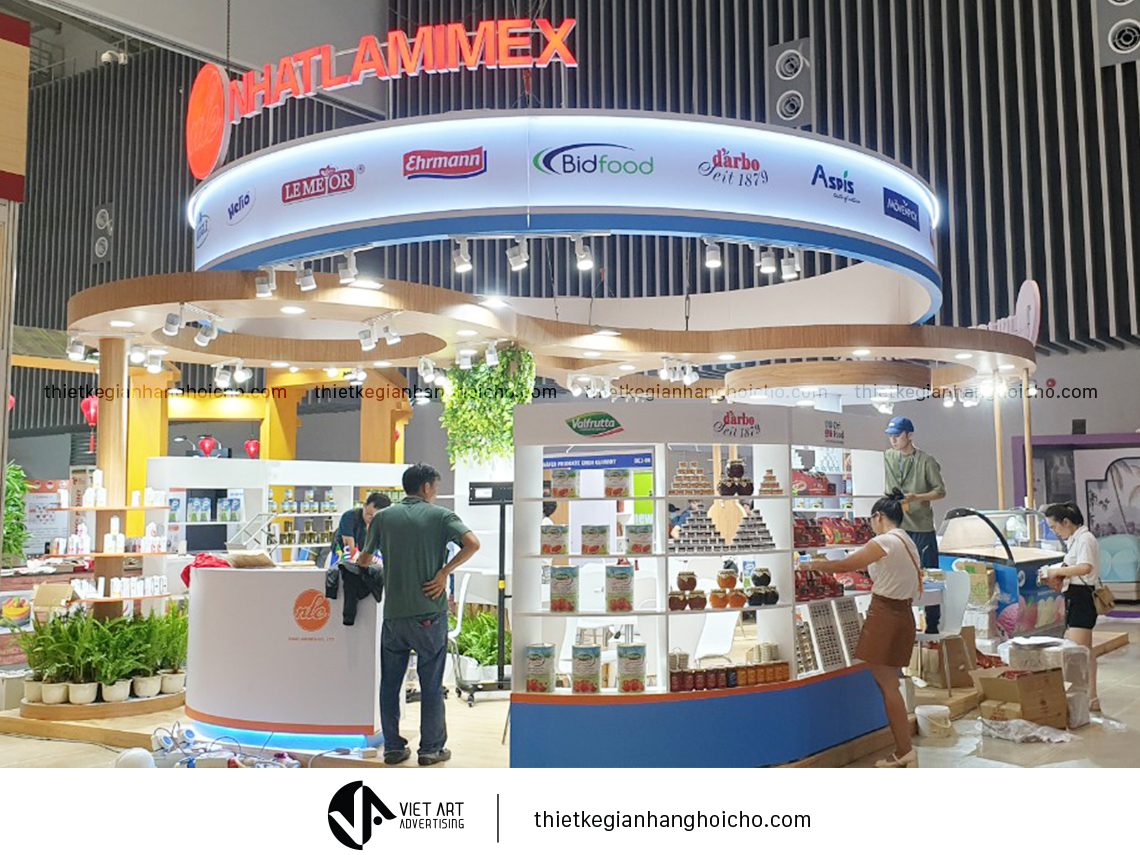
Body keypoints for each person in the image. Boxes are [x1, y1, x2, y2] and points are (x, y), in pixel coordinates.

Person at [356, 463, 480, 766]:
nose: (435, 492)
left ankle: (394, 748)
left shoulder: (383, 518)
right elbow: (473, 544)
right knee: (431, 683)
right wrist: (444, 572)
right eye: (435, 487)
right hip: (429, 613)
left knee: (390, 684)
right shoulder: (441, 516)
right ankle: (430, 749)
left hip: (394, 615)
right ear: (426, 487)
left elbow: (364, 560)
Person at [807, 489, 922, 768]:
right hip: (903, 614)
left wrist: (813, 565)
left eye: (871, 520)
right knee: (890, 684)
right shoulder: (907, 540)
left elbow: (848, 563)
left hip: (885, 616)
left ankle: (904, 750)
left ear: (879, 516)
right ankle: (904, 749)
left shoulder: (884, 541)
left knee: (888, 686)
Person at [883, 416, 946, 633]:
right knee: (898, 576)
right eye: (890, 436)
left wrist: (916, 497)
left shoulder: (926, 461)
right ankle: (902, 624)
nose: (893, 440)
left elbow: (940, 491)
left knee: (929, 576)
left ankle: (932, 626)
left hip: (921, 527)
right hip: (897, 527)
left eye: (897, 435)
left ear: (909, 435)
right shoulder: (888, 456)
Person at [1042, 502, 1101, 712]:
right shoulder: (1075, 540)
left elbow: (1085, 568)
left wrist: (1056, 572)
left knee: (1077, 653)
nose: (1054, 531)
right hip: (1076, 596)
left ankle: (1082, 699)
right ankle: (1090, 698)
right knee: (1084, 651)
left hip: (1082, 598)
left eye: (1054, 526)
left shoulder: (1085, 539)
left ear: (1066, 522)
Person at [333, 492, 390, 560]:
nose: (370, 519)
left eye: (375, 517)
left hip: (369, 557)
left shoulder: (385, 522)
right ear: (364, 506)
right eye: (369, 514)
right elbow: (350, 550)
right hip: (343, 554)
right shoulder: (349, 516)